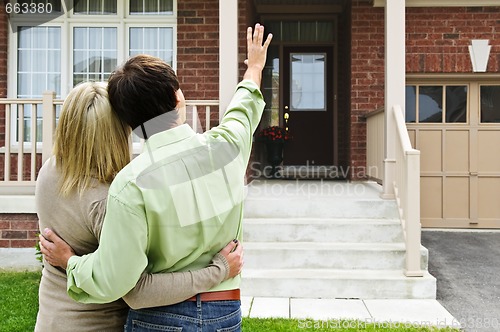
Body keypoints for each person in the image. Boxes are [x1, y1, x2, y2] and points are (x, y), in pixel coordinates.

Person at [40, 23, 272, 331]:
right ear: (178, 98)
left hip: (158, 318)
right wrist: (255, 66)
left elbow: (117, 280)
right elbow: (244, 107)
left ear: (128, 122)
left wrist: (70, 262)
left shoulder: (130, 185)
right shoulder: (228, 147)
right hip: (225, 313)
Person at [35, 81, 243, 332]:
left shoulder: (49, 170)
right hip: (98, 325)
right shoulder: (107, 200)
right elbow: (139, 290)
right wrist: (218, 270)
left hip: (50, 319)